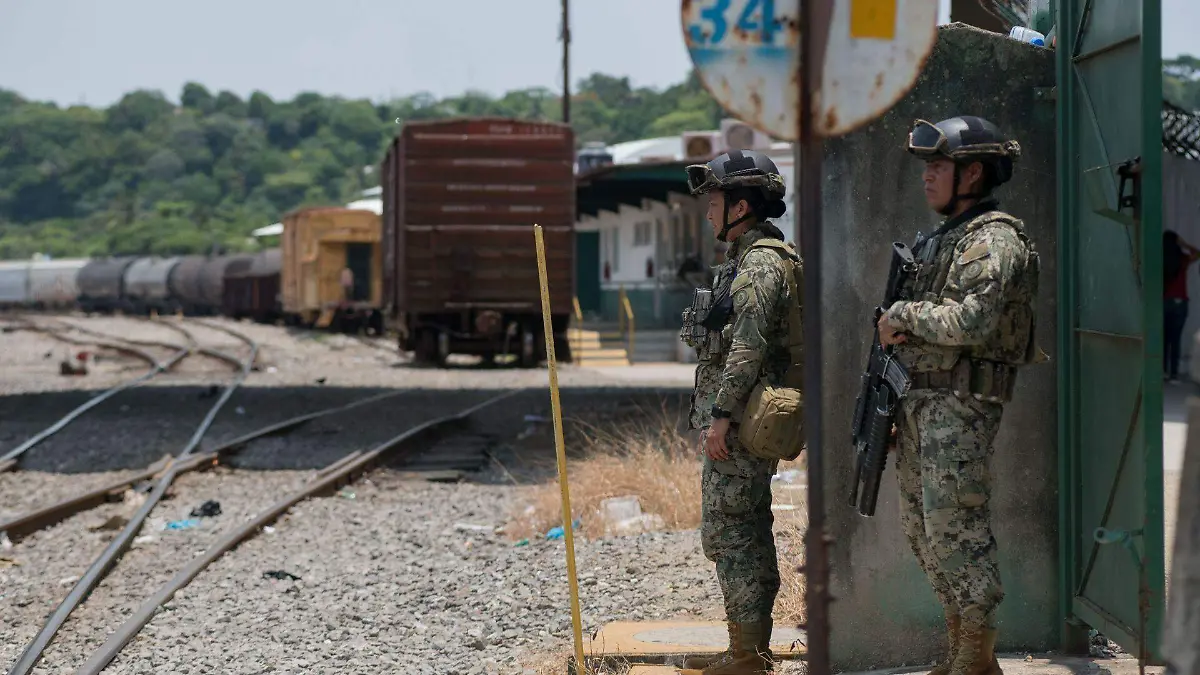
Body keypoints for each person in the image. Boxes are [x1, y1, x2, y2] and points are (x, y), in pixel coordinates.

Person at [876, 116, 1042, 675]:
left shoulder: (994, 239)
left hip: (960, 406)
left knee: (956, 527)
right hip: (923, 403)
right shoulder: (945, 238)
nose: (927, 177)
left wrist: (903, 314)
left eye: (939, 166)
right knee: (924, 531)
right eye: (927, 167)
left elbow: (972, 321)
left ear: (973, 173)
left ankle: (976, 651)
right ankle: (964, 651)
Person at [677, 149, 802, 674]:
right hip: (750, 416)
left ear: (741, 206)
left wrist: (721, 417)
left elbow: (747, 349)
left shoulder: (759, 264)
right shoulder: (753, 259)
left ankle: (746, 655)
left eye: (715, 203)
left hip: (744, 420)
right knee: (746, 527)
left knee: (730, 532)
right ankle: (749, 648)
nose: (708, 213)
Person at [1164, 229, 1199, 382]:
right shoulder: (1182, 259)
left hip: (1164, 302)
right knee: (1175, 339)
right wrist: (1183, 243)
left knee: (1164, 338)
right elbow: (1197, 254)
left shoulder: (1160, 259)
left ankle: (1163, 370)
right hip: (1180, 303)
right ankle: (1174, 374)